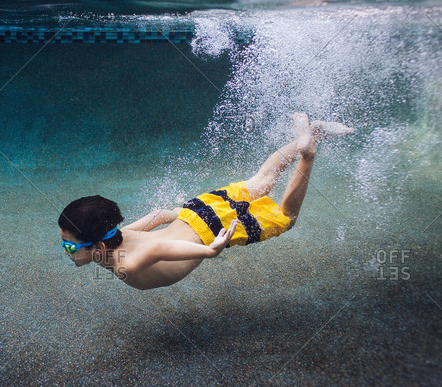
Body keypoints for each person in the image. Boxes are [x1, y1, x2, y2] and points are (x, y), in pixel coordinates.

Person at [59, 114, 354, 290]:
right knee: (262, 180)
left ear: (98, 247)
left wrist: (209, 250)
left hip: (211, 229)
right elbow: (159, 215)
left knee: (287, 218)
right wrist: (179, 214)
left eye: (69, 246)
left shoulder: (129, 265)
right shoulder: (119, 237)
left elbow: (161, 247)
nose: (65, 250)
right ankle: (310, 133)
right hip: (195, 211)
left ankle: (308, 153)